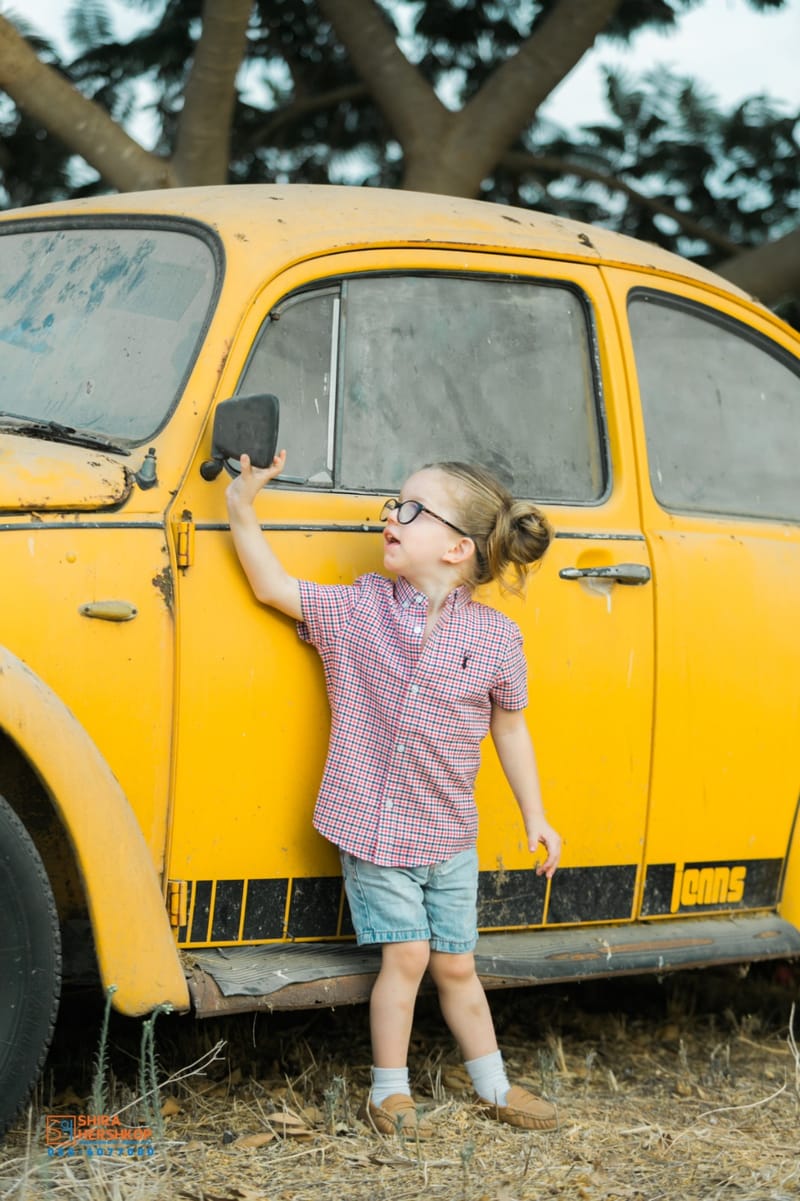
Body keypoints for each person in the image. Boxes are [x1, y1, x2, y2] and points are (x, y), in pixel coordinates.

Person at [226, 451, 563, 1138]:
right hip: (376, 828)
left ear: (457, 546)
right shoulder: (359, 609)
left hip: (448, 835)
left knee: (459, 965)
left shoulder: (497, 637)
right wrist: (240, 503)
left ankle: (494, 1084)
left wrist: (537, 815)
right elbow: (271, 586)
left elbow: (512, 726)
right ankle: (388, 1091)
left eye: (409, 509)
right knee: (406, 956)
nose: (389, 516)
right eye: (392, 504)